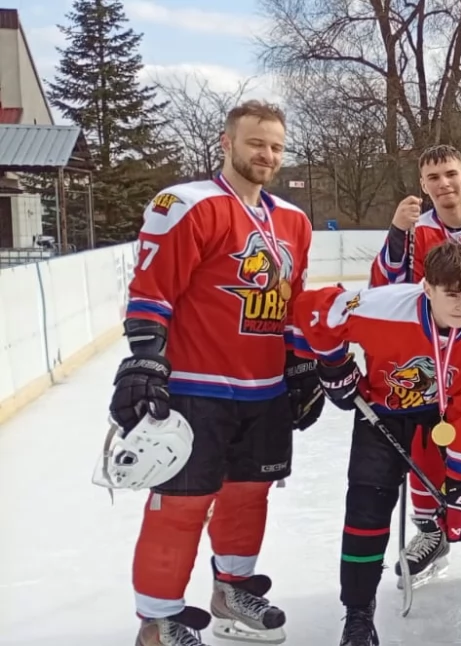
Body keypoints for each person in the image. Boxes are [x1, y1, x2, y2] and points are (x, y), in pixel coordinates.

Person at [109, 100, 320, 646]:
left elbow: (291, 301)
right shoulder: (187, 204)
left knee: (250, 495)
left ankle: (231, 592)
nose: (267, 154)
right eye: (256, 143)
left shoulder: (293, 221)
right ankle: (158, 622)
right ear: (226, 144)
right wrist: (146, 358)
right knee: (180, 506)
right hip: (196, 389)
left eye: (275, 145)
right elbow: (152, 292)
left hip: (264, 391)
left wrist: (300, 364)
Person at [292, 242, 461, 646]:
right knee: (366, 509)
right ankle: (358, 616)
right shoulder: (382, 307)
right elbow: (315, 309)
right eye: (452, 294)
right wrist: (333, 363)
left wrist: (460, 480)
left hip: (451, 415)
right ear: (427, 287)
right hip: (385, 409)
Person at [366, 144, 461, 587]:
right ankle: (430, 533)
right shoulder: (419, 229)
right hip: (437, 361)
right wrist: (397, 233)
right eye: (433, 178)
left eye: (450, 174)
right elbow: (386, 287)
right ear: (423, 186)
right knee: (424, 444)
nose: (443, 184)